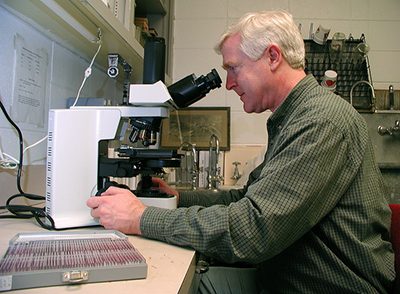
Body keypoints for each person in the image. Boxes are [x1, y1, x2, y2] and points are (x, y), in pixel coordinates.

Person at [87, 10, 395, 293]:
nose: (229, 83)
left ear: (272, 56)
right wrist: (179, 199)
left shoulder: (320, 122)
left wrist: (142, 218)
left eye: (234, 68)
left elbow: (253, 229)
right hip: (288, 276)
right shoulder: (295, 116)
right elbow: (246, 198)